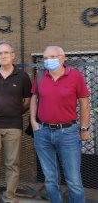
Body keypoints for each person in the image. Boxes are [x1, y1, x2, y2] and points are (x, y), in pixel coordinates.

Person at [30, 46, 90, 203]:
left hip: (68, 133)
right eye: (45, 58)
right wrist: (33, 122)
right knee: (50, 178)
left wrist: (84, 128)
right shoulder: (40, 75)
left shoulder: (75, 76)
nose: (48, 60)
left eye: (52, 57)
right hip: (42, 132)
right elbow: (34, 99)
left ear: (63, 58)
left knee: (74, 180)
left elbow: (84, 103)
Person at [0, 41, 32, 203]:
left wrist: (15, 111)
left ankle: (10, 197)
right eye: (0, 53)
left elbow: (27, 100)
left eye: (6, 53)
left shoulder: (22, 76)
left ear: (13, 55)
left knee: (12, 163)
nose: (3, 56)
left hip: (13, 126)